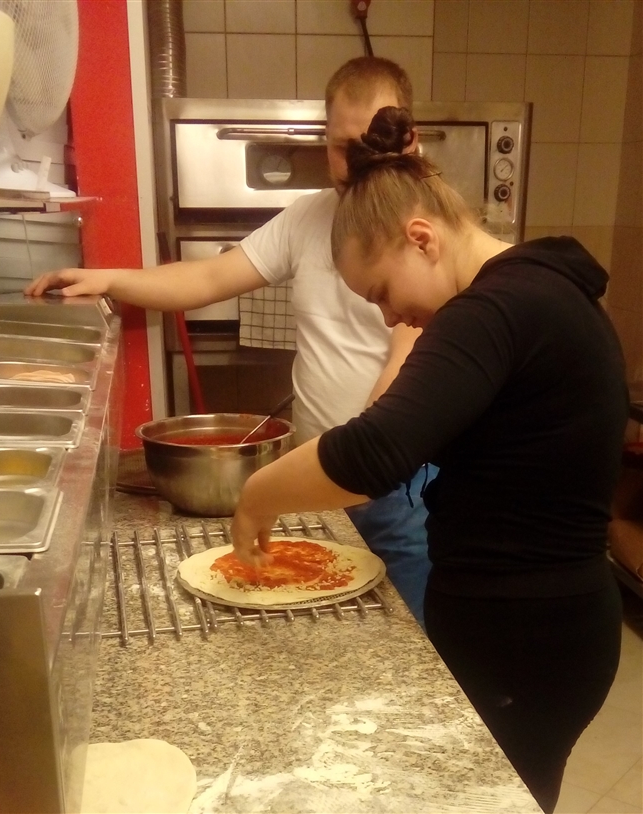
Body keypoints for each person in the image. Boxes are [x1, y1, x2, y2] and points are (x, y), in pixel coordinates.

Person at [229, 106, 630, 813]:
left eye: (382, 293)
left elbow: (373, 450)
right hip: (542, 629)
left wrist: (256, 496)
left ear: (421, 238)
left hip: (528, 640)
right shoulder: (533, 292)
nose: (389, 318)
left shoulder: (497, 308)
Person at [24, 57, 436, 627]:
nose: (358, 164)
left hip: (393, 483)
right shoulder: (310, 217)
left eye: (372, 144)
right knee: (331, 629)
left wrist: (337, 467)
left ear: (407, 139)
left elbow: (404, 370)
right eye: (344, 147)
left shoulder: (423, 235)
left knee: (405, 634)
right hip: (321, 472)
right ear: (325, 142)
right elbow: (209, 277)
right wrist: (109, 280)